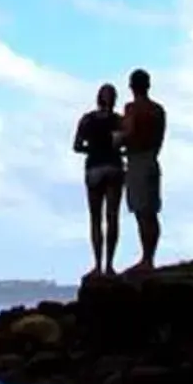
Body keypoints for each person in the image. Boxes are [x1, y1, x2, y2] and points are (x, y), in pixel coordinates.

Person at [72, 83, 126, 278]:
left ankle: (97, 265)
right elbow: (123, 144)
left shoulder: (87, 120)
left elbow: (77, 146)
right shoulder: (119, 121)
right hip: (113, 167)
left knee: (95, 219)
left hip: (94, 167)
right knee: (112, 217)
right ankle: (110, 266)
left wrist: (93, 149)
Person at [120, 68, 166, 275]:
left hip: (137, 160)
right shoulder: (158, 110)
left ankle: (146, 259)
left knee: (141, 212)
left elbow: (128, 133)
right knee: (151, 212)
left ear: (131, 86)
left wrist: (116, 142)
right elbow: (159, 139)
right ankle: (149, 257)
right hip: (152, 159)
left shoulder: (132, 108)